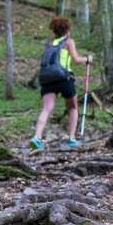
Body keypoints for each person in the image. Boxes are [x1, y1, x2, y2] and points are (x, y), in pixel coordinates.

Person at [29, 16, 91, 151]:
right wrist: (87, 59)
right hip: (64, 78)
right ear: (67, 30)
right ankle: (72, 138)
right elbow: (75, 59)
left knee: (46, 108)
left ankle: (36, 137)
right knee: (73, 107)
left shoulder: (50, 44)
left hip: (48, 79)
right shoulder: (68, 42)